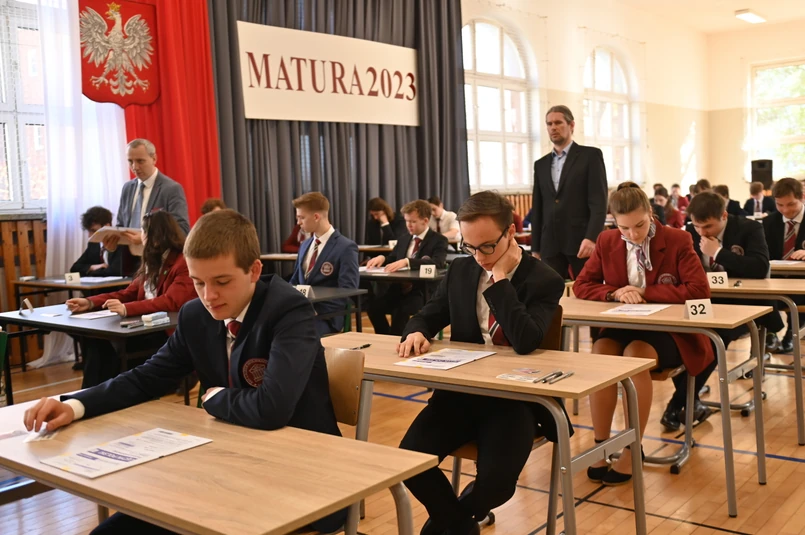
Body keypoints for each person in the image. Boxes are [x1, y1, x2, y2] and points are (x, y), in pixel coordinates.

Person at [26, 209, 346, 534]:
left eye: (222, 282)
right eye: (198, 282)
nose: (209, 296)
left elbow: (272, 408)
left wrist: (215, 398)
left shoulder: (289, 310)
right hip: (226, 464)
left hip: (302, 475)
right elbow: (147, 378)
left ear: (254, 271)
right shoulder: (195, 315)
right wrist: (75, 405)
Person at [397, 191, 567, 535]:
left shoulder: (544, 279)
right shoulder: (461, 270)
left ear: (511, 232)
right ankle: (458, 524)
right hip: (461, 393)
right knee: (410, 461)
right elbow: (428, 314)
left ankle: (450, 521)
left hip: (514, 400)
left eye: (488, 247)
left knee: (497, 485)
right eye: (470, 247)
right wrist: (416, 330)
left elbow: (525, 340)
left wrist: (500, 280)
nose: (479, 257)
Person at [573, 182, 712, 485]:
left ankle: (632, 447)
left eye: (639, 225)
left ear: (650, 212)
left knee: (636, 356)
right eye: (624, 228)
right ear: (613, 221)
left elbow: (699, 290)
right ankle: (601, 444)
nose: (633, 234)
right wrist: (615, 293)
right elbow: (582, 285)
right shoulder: (607, 240)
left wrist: (645, 292)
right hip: (625, 323)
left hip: (668, 330)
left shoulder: (677, 239)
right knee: (600, 353)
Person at [663, 192, 782, 431]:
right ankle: (690, 400)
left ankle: (678, 403)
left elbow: (760, 268)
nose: (702, 232)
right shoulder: (689, 232)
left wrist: (718, 253)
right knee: (680, 334)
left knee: (714, 336)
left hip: (743, 302)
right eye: (697, 226)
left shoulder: (749, 228)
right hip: (705, 301)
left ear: (724, 216)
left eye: (708, 226)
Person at [66, 211, 196, 388]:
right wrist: (91, 302)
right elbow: (127, 294)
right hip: (144, 326)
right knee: (96, 340)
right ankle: (94, 393)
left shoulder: (182, 262)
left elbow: (170, 301)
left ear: (156, 237)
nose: (140, 237)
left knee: (107, 346)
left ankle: (103, 393)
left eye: (143, 231)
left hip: (164, 331)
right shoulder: (151, 260)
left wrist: (127, 308)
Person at [531, 105, 608, 279]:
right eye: (549, 124)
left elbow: (599, 202)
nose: (553, 127)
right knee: (550, 292)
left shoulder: (590, 156)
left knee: (587, 288)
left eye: (558, 122)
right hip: (550, 244)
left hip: (581, 241)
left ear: (571, 125)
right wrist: (535, 248)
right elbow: (538, 207)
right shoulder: (540, 164)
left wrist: (592, 237)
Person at [366, 200, 448, 335]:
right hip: (398, 289)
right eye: (406, 221)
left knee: (401, 310)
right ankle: (385, 335)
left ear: (425, 221)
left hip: (421, 291)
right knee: (372, 307)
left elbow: (437, 263)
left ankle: (395, 338)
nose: (408, 225)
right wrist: (383, 258)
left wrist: (408, 262)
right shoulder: (404, 238)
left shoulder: (439, 240)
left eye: (413, 221)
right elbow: (393, 258)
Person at [104, 139, 190, 262]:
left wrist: (146, 238)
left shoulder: (171, 189)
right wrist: (112, 244)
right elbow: (121, 225)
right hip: (129, 262)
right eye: (130, 161)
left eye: (140, 161)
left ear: (154, 159)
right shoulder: (127, 188)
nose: (135, 167)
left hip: (159, 261)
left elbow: (182, 230)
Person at [289, 192, 359, 336]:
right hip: (301, 313)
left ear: (316, 217)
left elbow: (348, 290)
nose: (298, 223)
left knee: (296, 333)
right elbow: (295, 280)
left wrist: (315, 310)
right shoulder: (305, 245)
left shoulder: (345, 247)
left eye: (301, 217)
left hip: (327, 316)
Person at [763, 177, 805, 353]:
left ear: (802, 197)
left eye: (791, 204)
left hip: (802, 284)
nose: (785, 210)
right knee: (759, 295)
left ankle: (792, 333)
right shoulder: (768, 222)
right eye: (780, 205)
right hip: (776, 283)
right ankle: (770, 332)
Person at [70, 206, 123, 277]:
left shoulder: (121, 242)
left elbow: (114, 271)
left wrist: (91, 272)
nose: (89, 236)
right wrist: (92, 267)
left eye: (93, 230)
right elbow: (74, 268)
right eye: (88, 231)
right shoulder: (94, 244)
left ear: (107, 226)